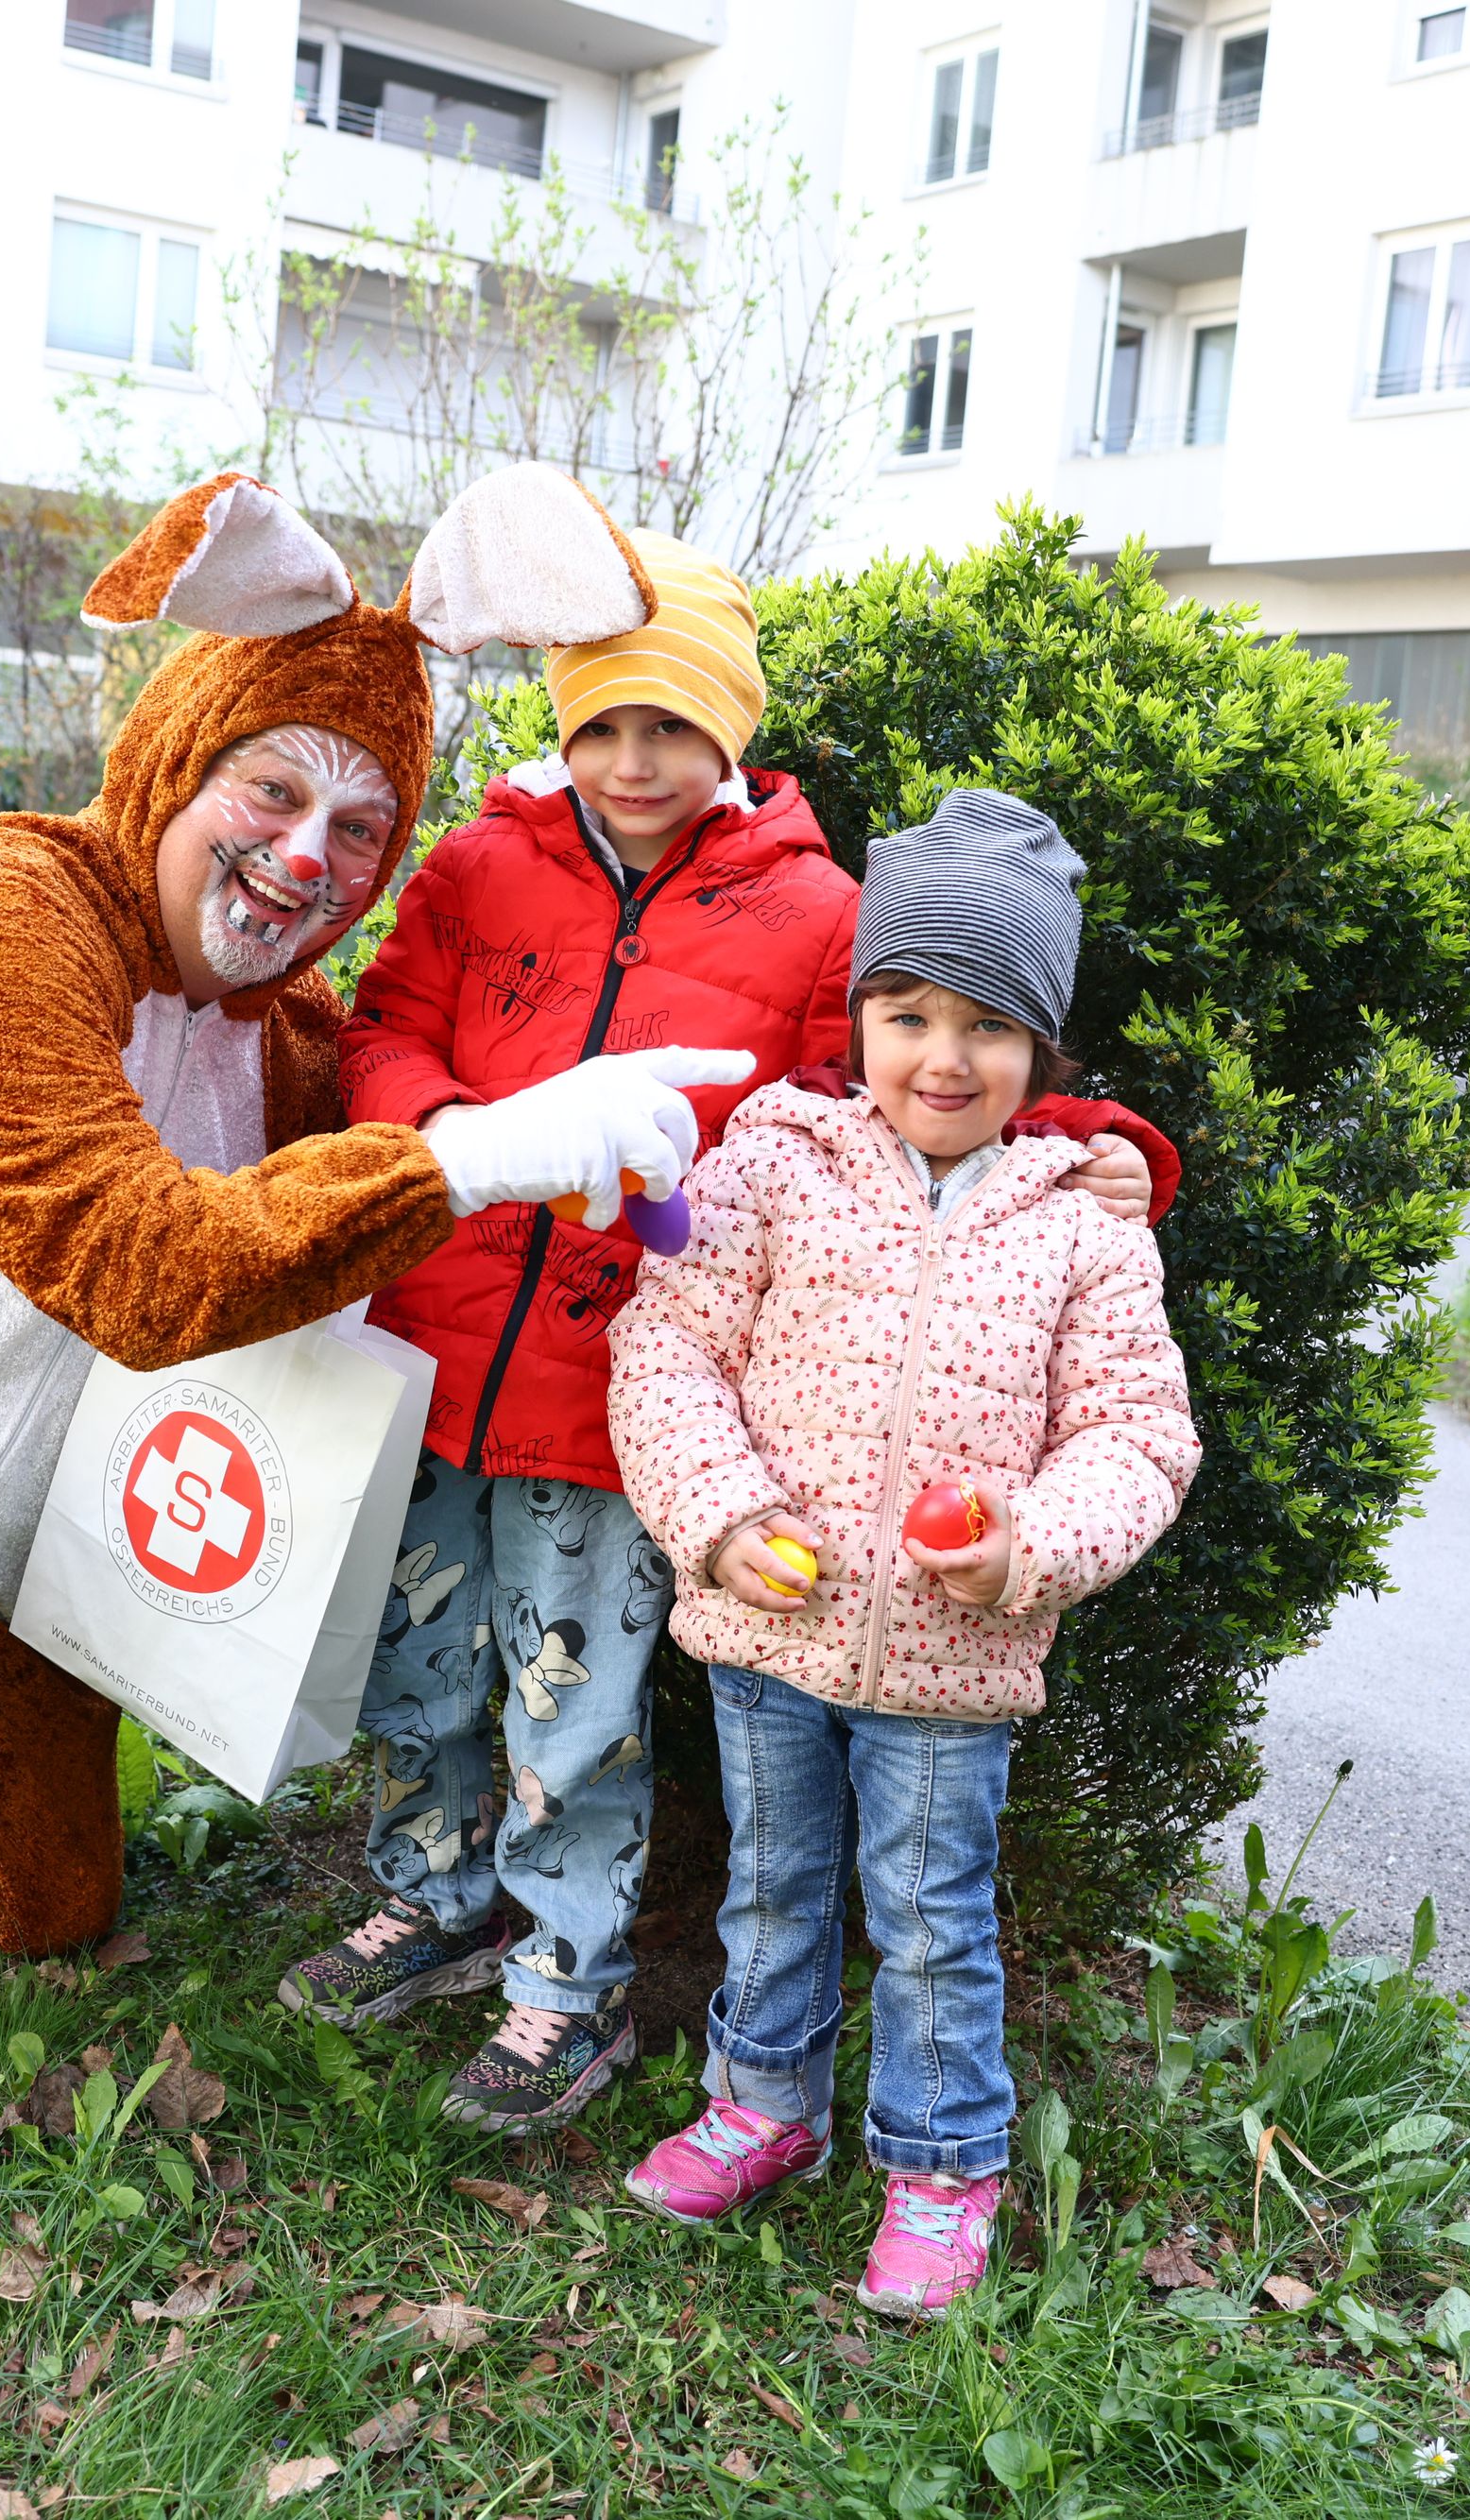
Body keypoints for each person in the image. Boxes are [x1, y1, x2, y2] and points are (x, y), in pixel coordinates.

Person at [0, 465, 746, 2117]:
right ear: (177, 760)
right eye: (270, 789)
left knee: (48, 1904)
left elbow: (399, 1203)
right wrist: (474, 1156)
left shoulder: (299, 1046)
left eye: (363, 826)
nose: (306, 858)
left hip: (0, 1553)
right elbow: (142, 1269)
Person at [284, 537, 1182, 2136]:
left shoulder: (820, 912)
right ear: (562, 725)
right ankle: (428, 1899)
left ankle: (564, 1986)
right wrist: (448, 1136)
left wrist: (1107, 1140)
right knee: (416, 1671)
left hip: (608, 1394)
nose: (635, 764)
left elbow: (918, 1074)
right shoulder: (482, 871)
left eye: (674, 728)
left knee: (577, 1703)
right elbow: (388, 1026)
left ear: (735, 731)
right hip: (433, 1345)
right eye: (603, 724)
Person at [605, 789, 1203, 2315]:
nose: (946, 1058)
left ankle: (943, 2170)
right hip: (770, 1637)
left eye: (990, 1027)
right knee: (775, 1885)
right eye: (910, 1013)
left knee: (933, 1921)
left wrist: (1029, 1552)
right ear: (861, 1017)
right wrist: (724, 1522)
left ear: (1042, 1054)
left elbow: (1138, 1435)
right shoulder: (773, 1165)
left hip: (956, 1662)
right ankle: (763, 2108)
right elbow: (669, 1350)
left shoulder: (1085, 1224)